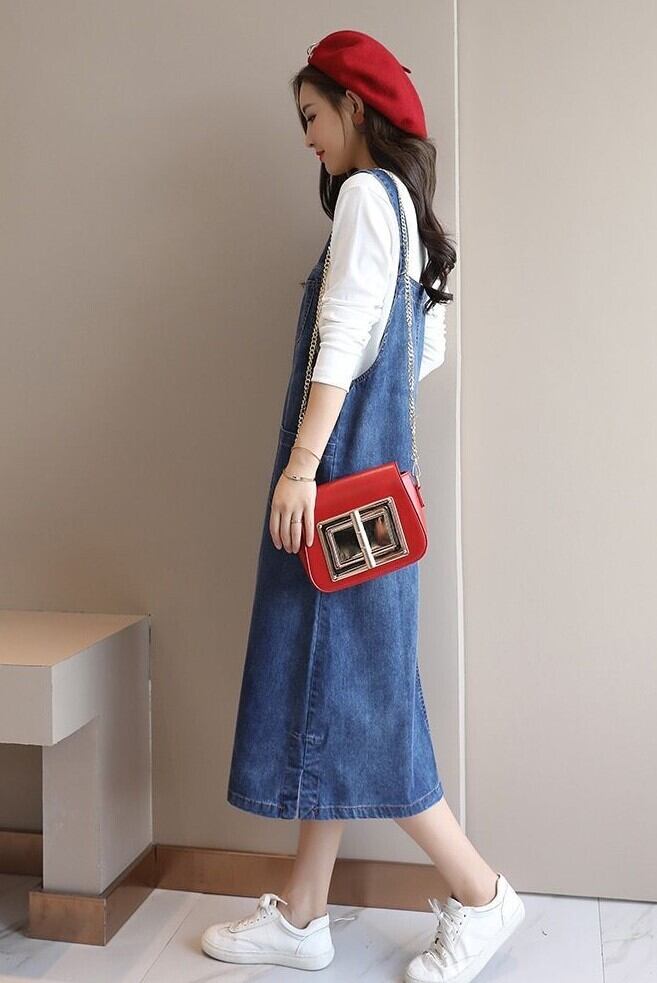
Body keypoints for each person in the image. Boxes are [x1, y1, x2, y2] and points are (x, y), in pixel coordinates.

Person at [202, 29, 525, 983]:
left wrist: (304, 464)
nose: (305, 137)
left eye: (311, 115)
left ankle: (481, 894)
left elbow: (343, 333)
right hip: (373, 499)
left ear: (353, 106)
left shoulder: (361, 199)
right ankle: (303, 916)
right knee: (331, 686)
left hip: (337, 488)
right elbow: (422, 354)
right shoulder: (409, 216)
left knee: (366, 699)